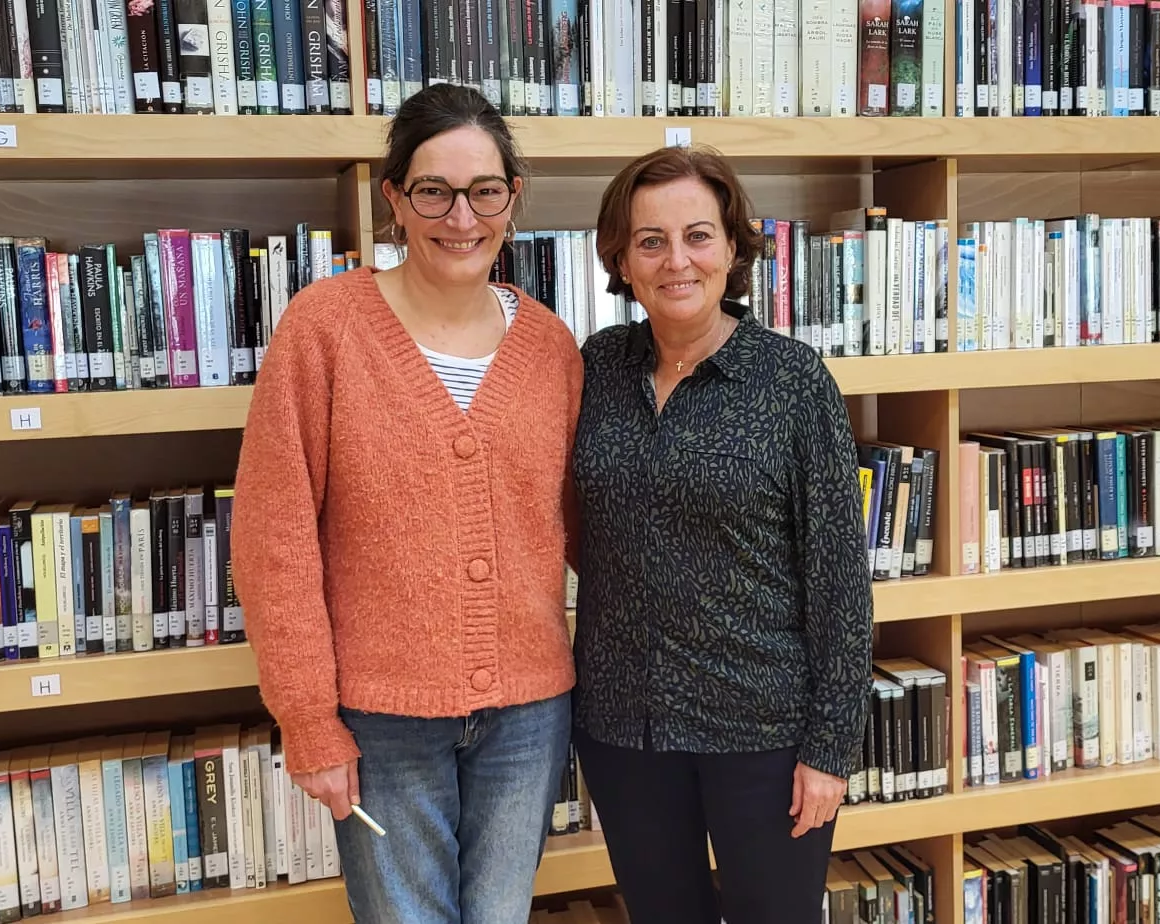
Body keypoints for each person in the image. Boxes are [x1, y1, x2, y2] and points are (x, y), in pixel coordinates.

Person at [233, 83, 582, 924]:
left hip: (529, 712)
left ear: (513, 199)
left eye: (485, 191)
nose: (462, 218)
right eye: (435, 190)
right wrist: (308, 720)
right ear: (394, 198)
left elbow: (580, 520)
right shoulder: (325, 327)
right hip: (382, 717)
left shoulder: (552, 345)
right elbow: (274, 536)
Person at [569, 145, 876, 922]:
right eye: (651, 241)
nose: (677, 260)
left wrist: (828, 750)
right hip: (623, 728)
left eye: (698, 236)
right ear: (622, 259)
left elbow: (840, 583)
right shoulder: (594, 369)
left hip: (763, 734)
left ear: (734, 248)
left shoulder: (793, 381)